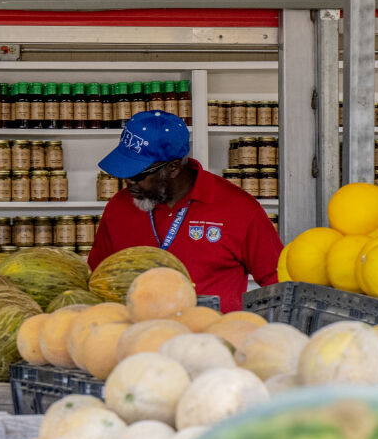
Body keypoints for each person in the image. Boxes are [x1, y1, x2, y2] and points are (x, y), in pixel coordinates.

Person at [88, 110, 283, 313]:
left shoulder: (240, 208)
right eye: (124, 173)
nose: (128, 181)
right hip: (137, 339)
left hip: (211, 340)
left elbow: (277, 282)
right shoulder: (118, 208)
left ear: (172, 168)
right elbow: (96, 278)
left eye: (137, 174)